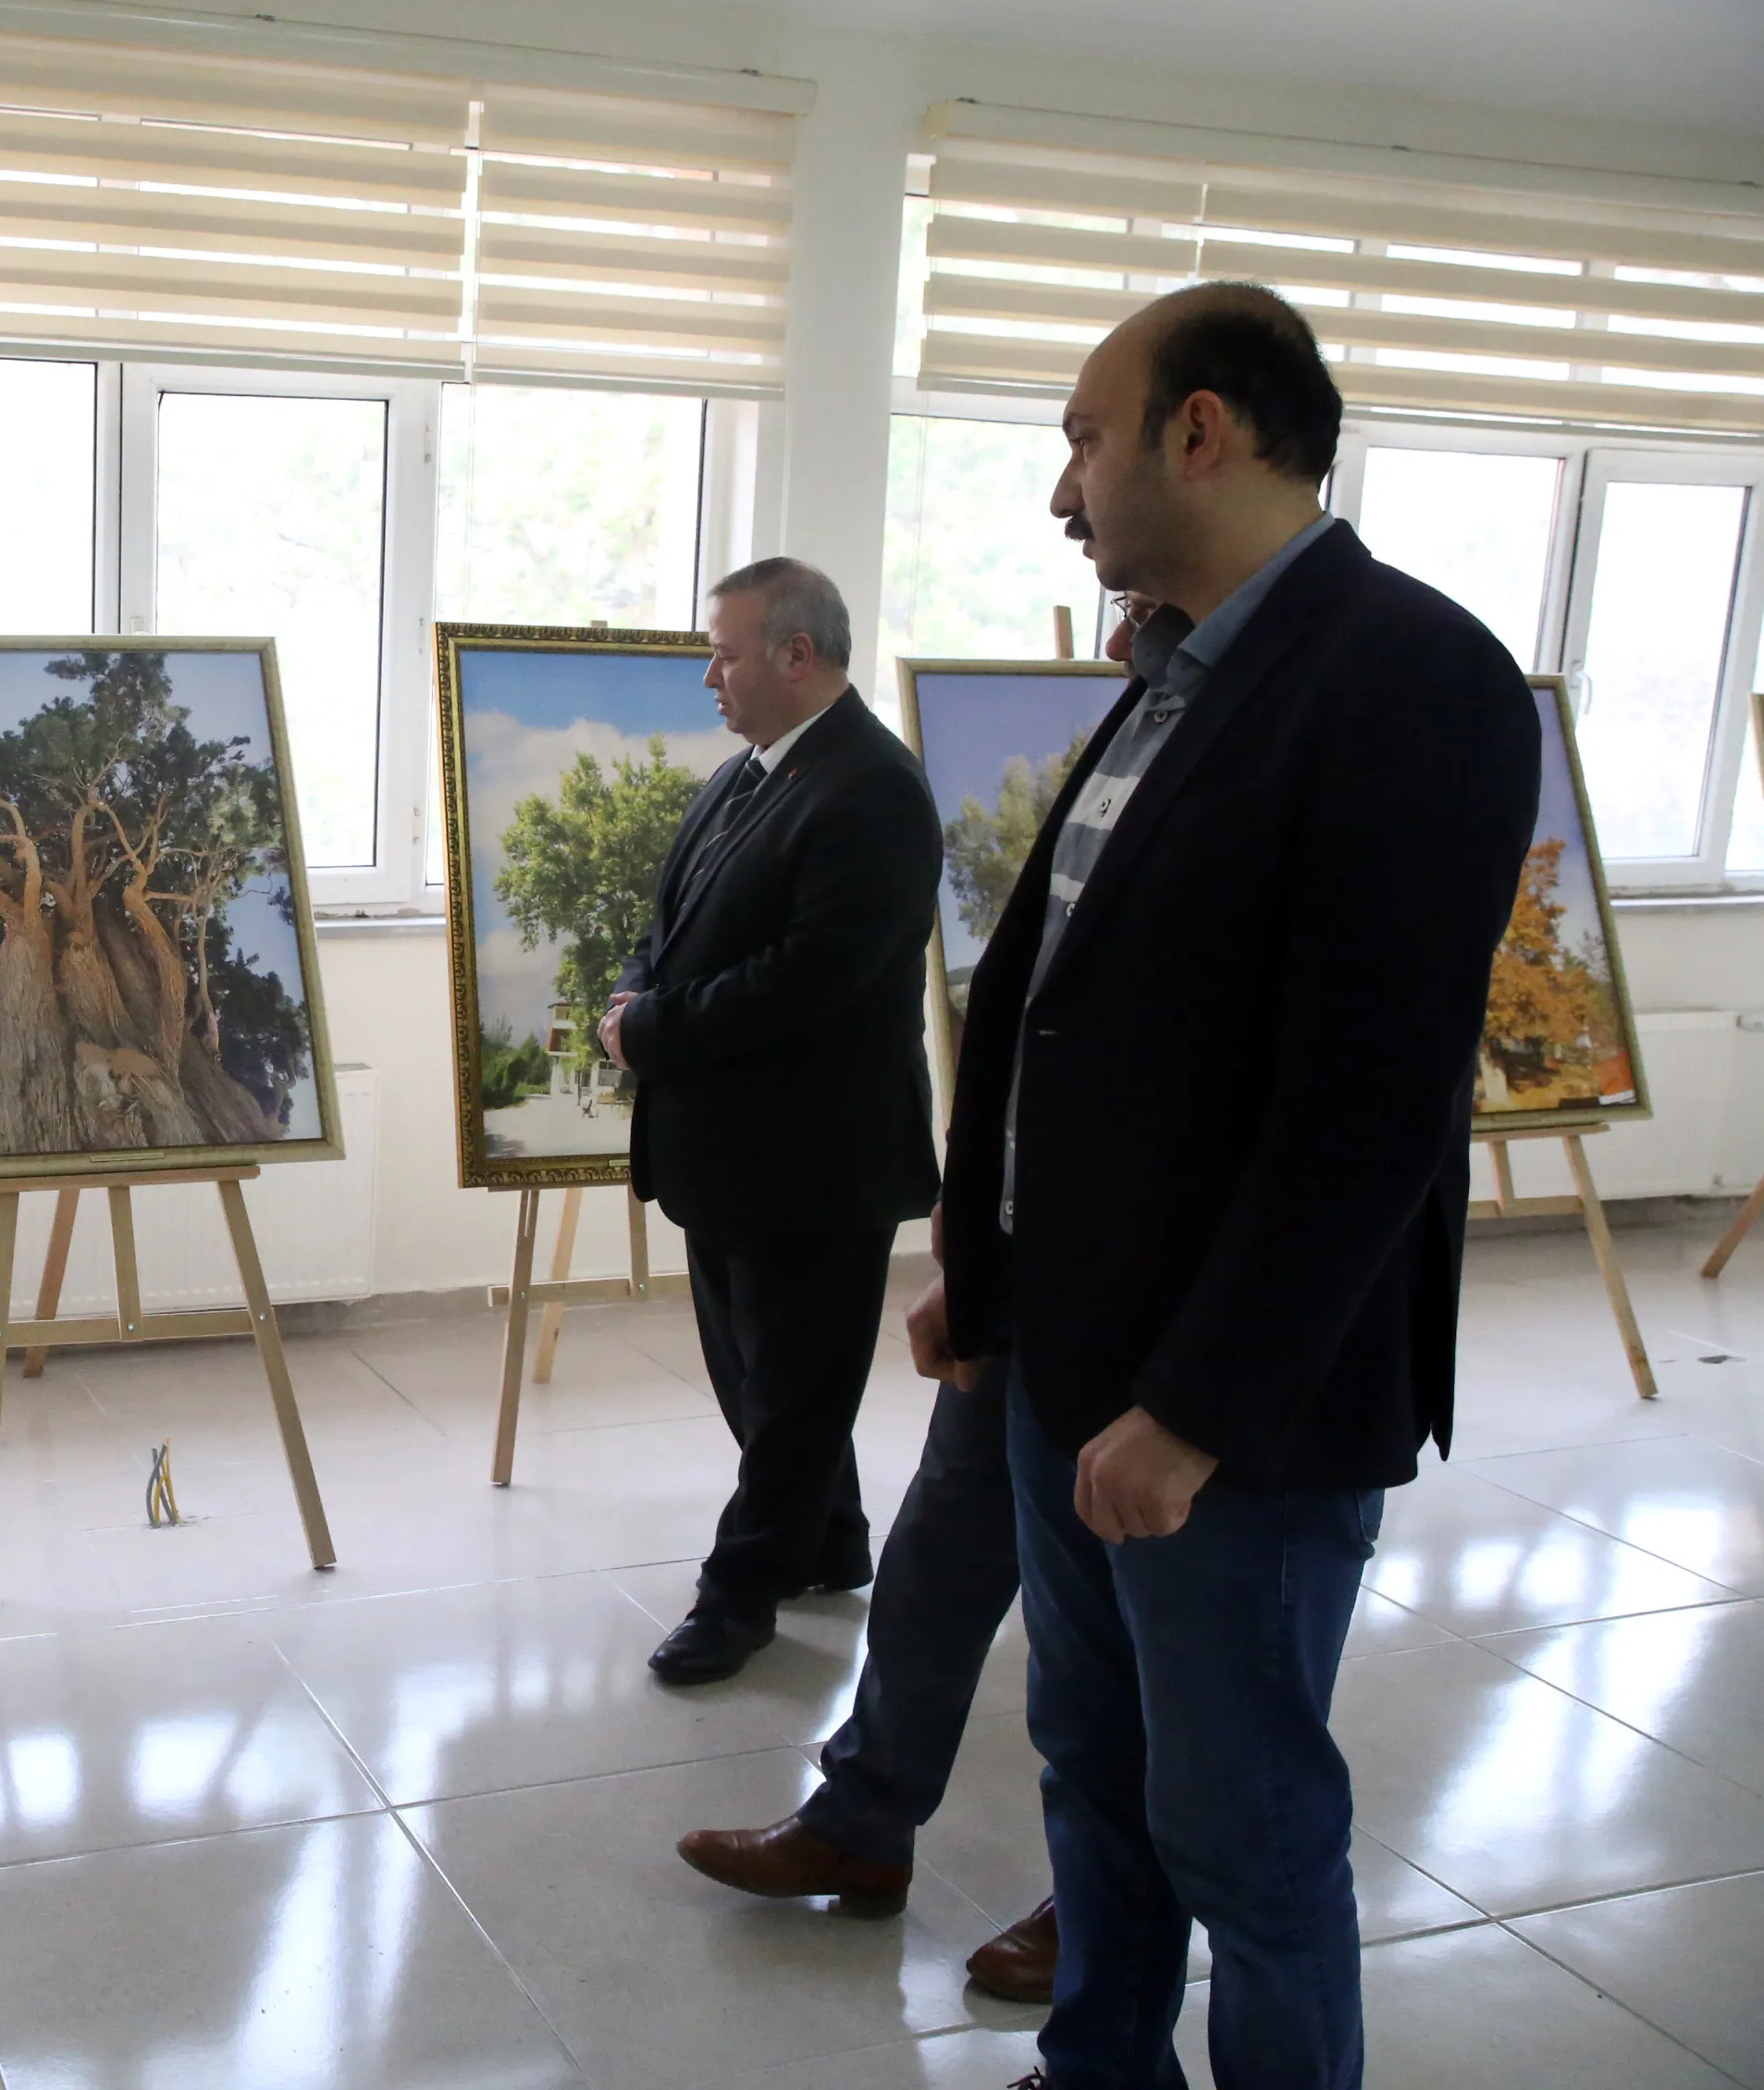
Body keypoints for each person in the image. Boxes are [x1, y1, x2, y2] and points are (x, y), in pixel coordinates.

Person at [926, 281, 1538, 2090]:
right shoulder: (1175, 678)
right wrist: (992, 1267)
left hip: (1229, 1416)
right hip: (1071, 1358)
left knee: (1247, 1827)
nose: (1063, 492)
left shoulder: (1411, 679)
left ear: (1205, 431)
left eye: (1083, 437)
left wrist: (1189, 1413)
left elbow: (1369, 1110)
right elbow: (1071, 1017)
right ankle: (1103, 2064)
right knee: (1091, 1772)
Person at [671, 595, 1159, 2004]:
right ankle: (859, 1826)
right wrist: (972, 1250)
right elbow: (1026, 1019)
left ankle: (1115, 1905)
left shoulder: (1331, 717)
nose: (1110, 629)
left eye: (1091, 450)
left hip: (1142, 1301)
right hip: (1028, 1269)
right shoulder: (1132, 739)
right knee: (936, 1584)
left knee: (1109, 1643)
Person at [598, 557, 943, 1686]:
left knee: (792, 1395)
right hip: (726, 1156)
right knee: (759, 1382)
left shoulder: (872, 790)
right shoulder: (748, 775)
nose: (711, 675)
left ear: (798, 655)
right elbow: (679, 919)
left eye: (727, 652)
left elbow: (812, 979)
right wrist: (635, 993)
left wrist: (650, 1030)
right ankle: (831, 1542)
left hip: (814, 1165)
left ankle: (736, 1599)